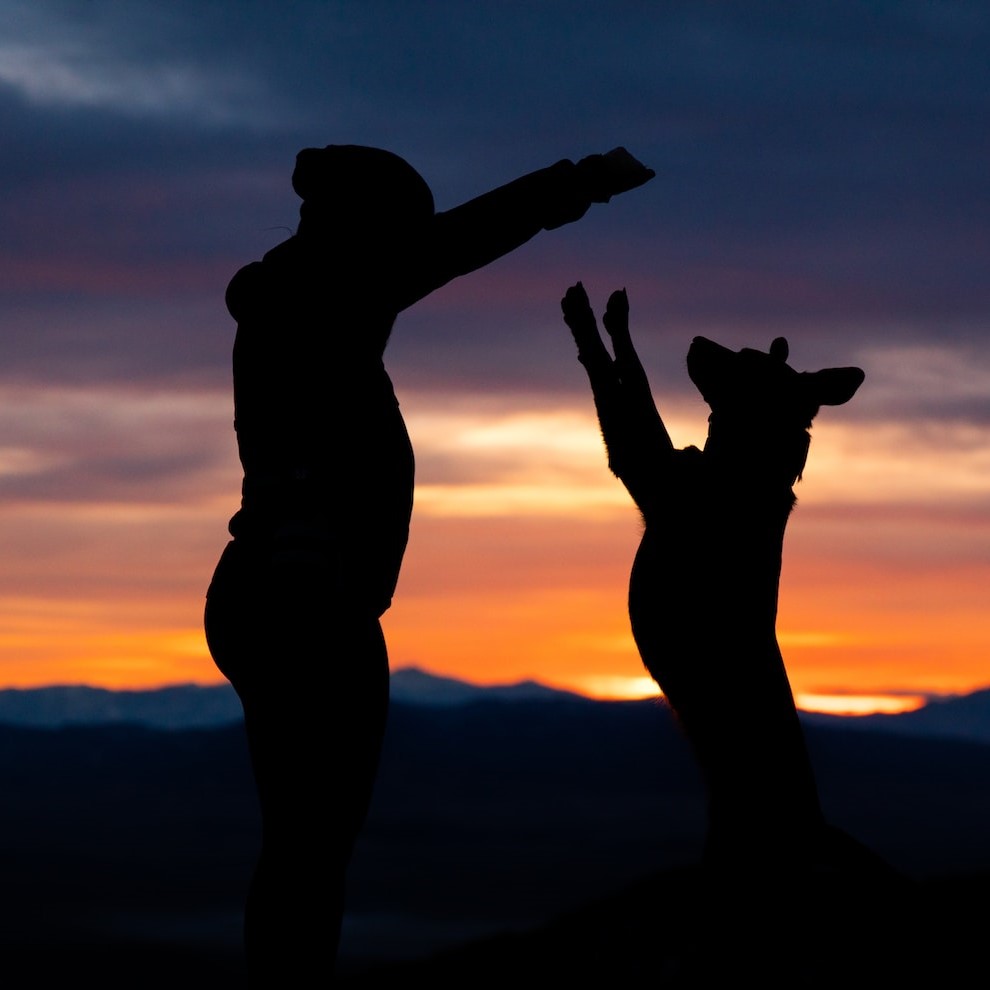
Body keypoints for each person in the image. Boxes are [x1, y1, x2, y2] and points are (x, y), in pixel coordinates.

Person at [204, 144, 654, 986]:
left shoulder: (308, 302)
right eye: (395, 235)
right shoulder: (322, 299)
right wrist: (574, 185)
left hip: (285, 585)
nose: (407, 253)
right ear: (361, 229)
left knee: (307, 841)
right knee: (311, 844)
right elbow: (461, 242)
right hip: (303, 591)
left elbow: (450, 243)